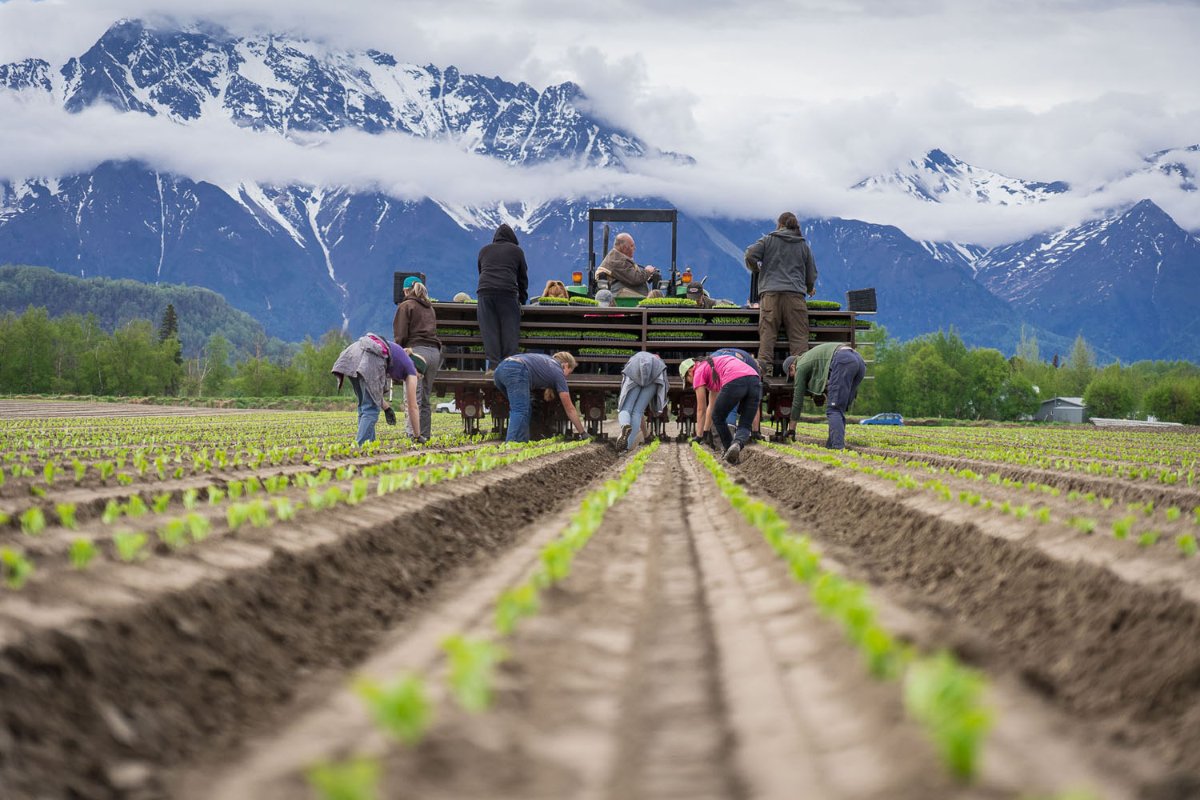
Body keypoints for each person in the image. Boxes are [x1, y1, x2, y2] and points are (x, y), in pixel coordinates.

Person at [744, 211, 818, 375]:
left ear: (779, 224)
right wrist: (808, 287)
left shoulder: (768, 240)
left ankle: (766, 369)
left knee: (768, 333)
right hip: (795, 297)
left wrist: (756, 268)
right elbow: (811, 273)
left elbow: (749, 254)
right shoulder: (803, 246)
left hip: (770, 296)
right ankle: (799, 370)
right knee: (799, 337)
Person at [332, 334, 426, 446]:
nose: (417, 379)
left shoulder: (400, 358)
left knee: (364, 406)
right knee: (371, 409)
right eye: (419, 376)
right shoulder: (411, 369)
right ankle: (359, 446)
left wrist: (386, 408)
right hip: (369, 356)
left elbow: (373, 391)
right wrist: (417, 435)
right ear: (417, 369)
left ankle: (369, 444)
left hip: (355, 354)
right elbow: (413, 406)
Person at [680, 352, 761, 464]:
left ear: (690, 371)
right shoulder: (712, 367)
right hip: (755, 380)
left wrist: (699, 436)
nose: (691, 384)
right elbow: (712, 406)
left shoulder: (698, 371)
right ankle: (737, 444)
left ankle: (728, 449)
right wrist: (706, 431)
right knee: (745, 422)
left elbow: (701, 409)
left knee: (718, 417)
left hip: (735, 380)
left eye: (688, 381)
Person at [783, 342, 866, 450]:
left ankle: (838, 449)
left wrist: (792, 430)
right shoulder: (808, 357)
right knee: (838, 410)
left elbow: (797, 401)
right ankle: (831, 445)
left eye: (791, 376)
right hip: (858, 360)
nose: (793, 378)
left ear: (792, 367)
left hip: (843, 360)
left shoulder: (800, 366)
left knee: (834, 409)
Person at [493, 351, 588, 443]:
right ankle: (510, 443)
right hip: (516, 371)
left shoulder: (546, 361)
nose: (566, 377)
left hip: (500, 370)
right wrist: (583, 433)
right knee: (520, 409)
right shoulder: (558, 372)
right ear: (566, 365)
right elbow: (570, 409)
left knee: (526, 407)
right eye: (569, 372)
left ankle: (521, 442)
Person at [392, 276, 442, 442]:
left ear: (406, 290)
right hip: (434, 354)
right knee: (425, 399)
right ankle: (425, 436)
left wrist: (396, 357)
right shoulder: (430, 308)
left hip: (417, 354)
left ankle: (412, 435)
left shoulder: (406, 305)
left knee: (413, 398)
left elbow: (400, 335)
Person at [477, 223, 529, 371]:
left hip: (485, 293)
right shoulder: (517, 251)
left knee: (489, 331)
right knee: (509, 331)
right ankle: (508, 367)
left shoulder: (484, 250)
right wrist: (521, 300)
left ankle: (493, 367)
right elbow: (523, 279)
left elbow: (481, 272)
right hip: (507, 293)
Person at [617, 351, 669, 451]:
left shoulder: (638, 356)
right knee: (637, 412)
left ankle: (625, 426)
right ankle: (626, 448)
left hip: (635, 370)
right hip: (655, 374)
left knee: (626, 408)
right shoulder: (657, 360)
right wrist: (646, 435)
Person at [596, 233, 659, 298]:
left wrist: (647, 276)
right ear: (624, 248)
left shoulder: (619, 258)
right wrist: (647, 271)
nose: (634, 248)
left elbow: (631, 274)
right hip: (624, 302)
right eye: (632, 246)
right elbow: (635, 279)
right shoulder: (617, 261)